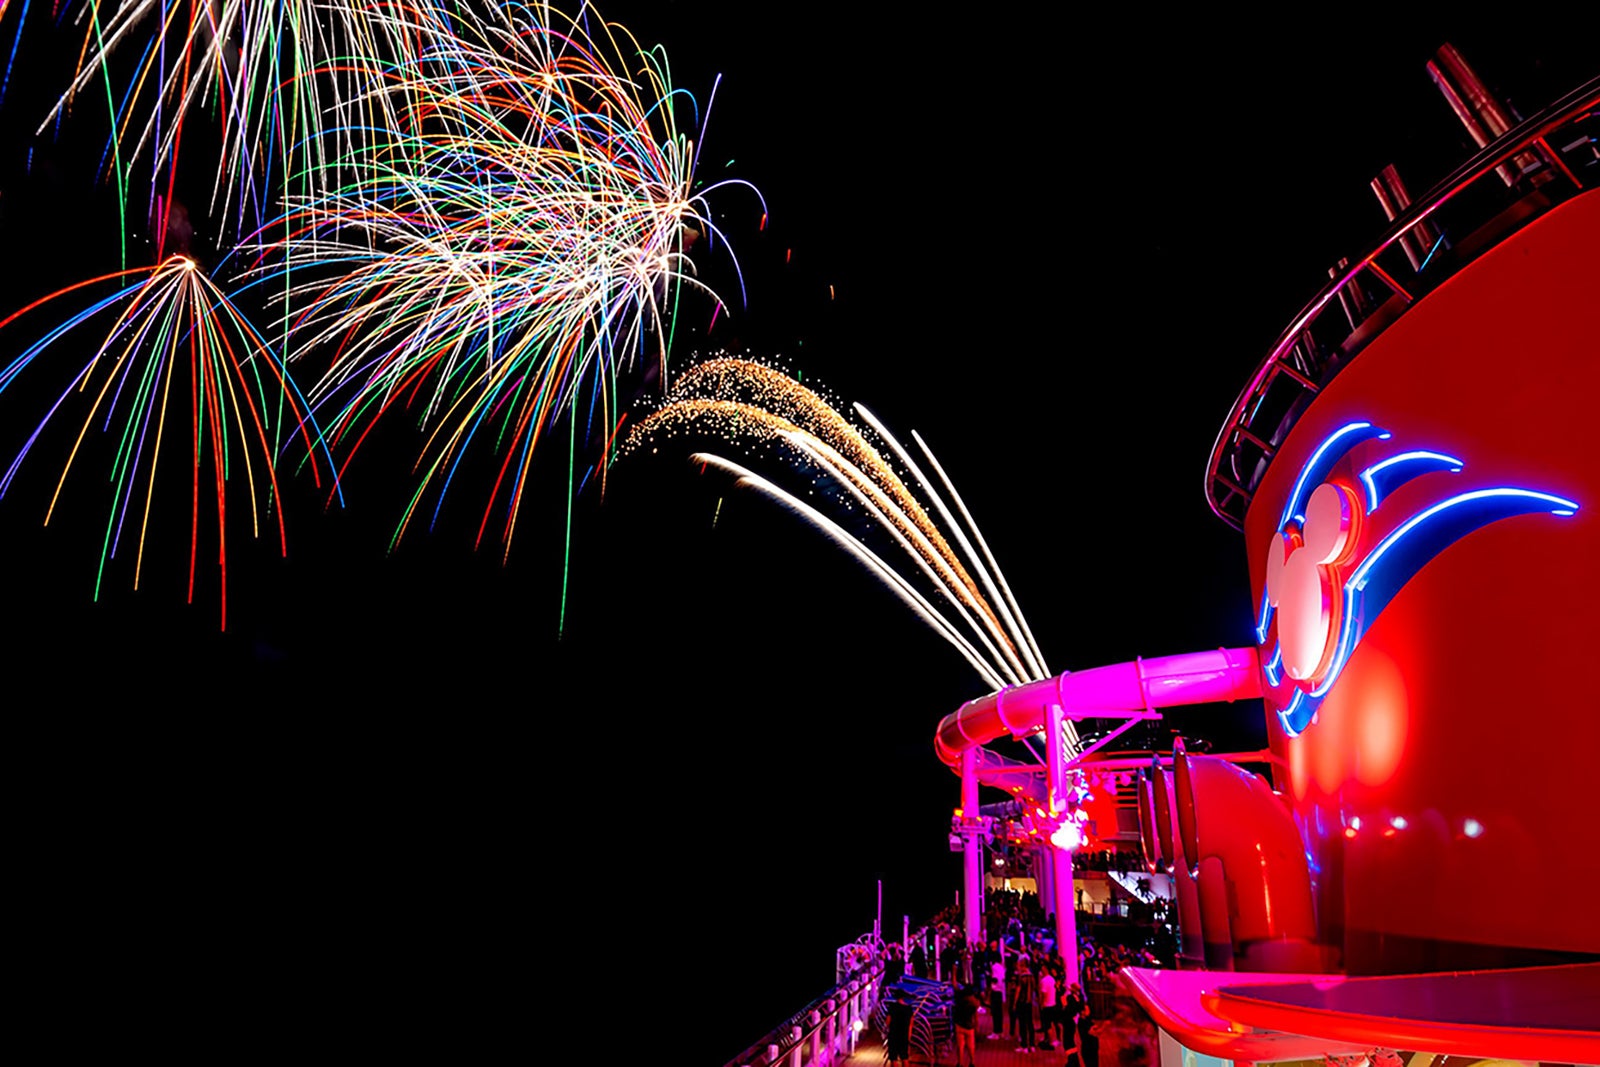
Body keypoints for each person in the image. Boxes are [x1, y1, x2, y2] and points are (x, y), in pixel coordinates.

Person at [1012, 954, 1037, 1053]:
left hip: (1022, 1002)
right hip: (1029, 1002)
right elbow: (1034, 988)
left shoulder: (1021, 977)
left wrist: (1014, 1002)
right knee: (1030, 1023)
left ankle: (1024, 1045)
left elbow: (1018, 990)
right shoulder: (1031, 976)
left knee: (1022, 1024)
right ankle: (1032, 1044)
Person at [952, 984, 982, 1067]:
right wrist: (977, 1026)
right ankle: (972, 1062)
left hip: (959, 1025)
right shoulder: (974, 1003)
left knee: (960, 1046)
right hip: (969, 1026)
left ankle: (960, 1063)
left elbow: (954, 986)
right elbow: (975, 1016)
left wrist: (954, 972)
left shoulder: (959, 999)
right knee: (971, 1046)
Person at [886, 990, 915, 1067]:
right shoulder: (909, 1009)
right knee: (904, 1057)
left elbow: (888, 1021)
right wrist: (909, 1036)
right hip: (904, 1034)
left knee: (893, 1058)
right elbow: (911, 1024)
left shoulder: (892, 1007)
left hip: (893, 1034)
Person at [986, 953, 1006, 1040]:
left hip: (995, 990)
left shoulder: (994, 967)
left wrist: (988, 977)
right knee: (999, 1012)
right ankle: (1000, 1031)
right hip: (1001, 990)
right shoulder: (1001, 967)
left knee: (995, 1012)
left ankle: (996, 1032)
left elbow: (995, 979)